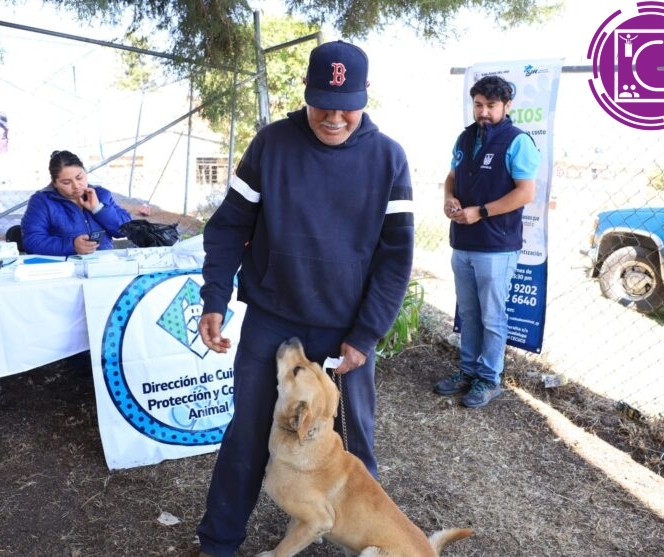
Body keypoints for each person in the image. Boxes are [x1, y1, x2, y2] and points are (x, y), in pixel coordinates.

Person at [195, 40, 414, 557]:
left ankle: (371, 545)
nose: (334, 117)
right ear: (306, 92)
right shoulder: (271, 145)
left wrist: (365, 335)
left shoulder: (388, 159)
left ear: (365, 96)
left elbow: (395, 257)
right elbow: (228, 228)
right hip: (275, 321)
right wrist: (215, 299)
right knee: (248, 435)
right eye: (323, 103)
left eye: (346, 106)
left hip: (346, 330)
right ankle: (218, 544)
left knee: (354, 446)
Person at [433, 75, 540, 409]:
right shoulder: (466, 138)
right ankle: (467, 371)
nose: (483, 111)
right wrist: (449, 199)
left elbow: (526, 192)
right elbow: (451, 179)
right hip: (462, 241)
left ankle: (489, 378)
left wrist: (481, 211)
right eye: (478, 104)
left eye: (491, 106)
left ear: (507, 106)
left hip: (496, 245)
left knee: (492, 316)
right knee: (468, 312)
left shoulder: (518, 141)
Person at [20, 150, 132, 256]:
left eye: (79, 178)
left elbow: (126, 230)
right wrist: (71, 245)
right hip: (65, 269)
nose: (76, 185)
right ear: (54, 183)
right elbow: (32, 241)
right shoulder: (42, 202)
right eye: (66, 182)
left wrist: (98, 209)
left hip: (103, 264)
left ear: (85, 172)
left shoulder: (101, 194)